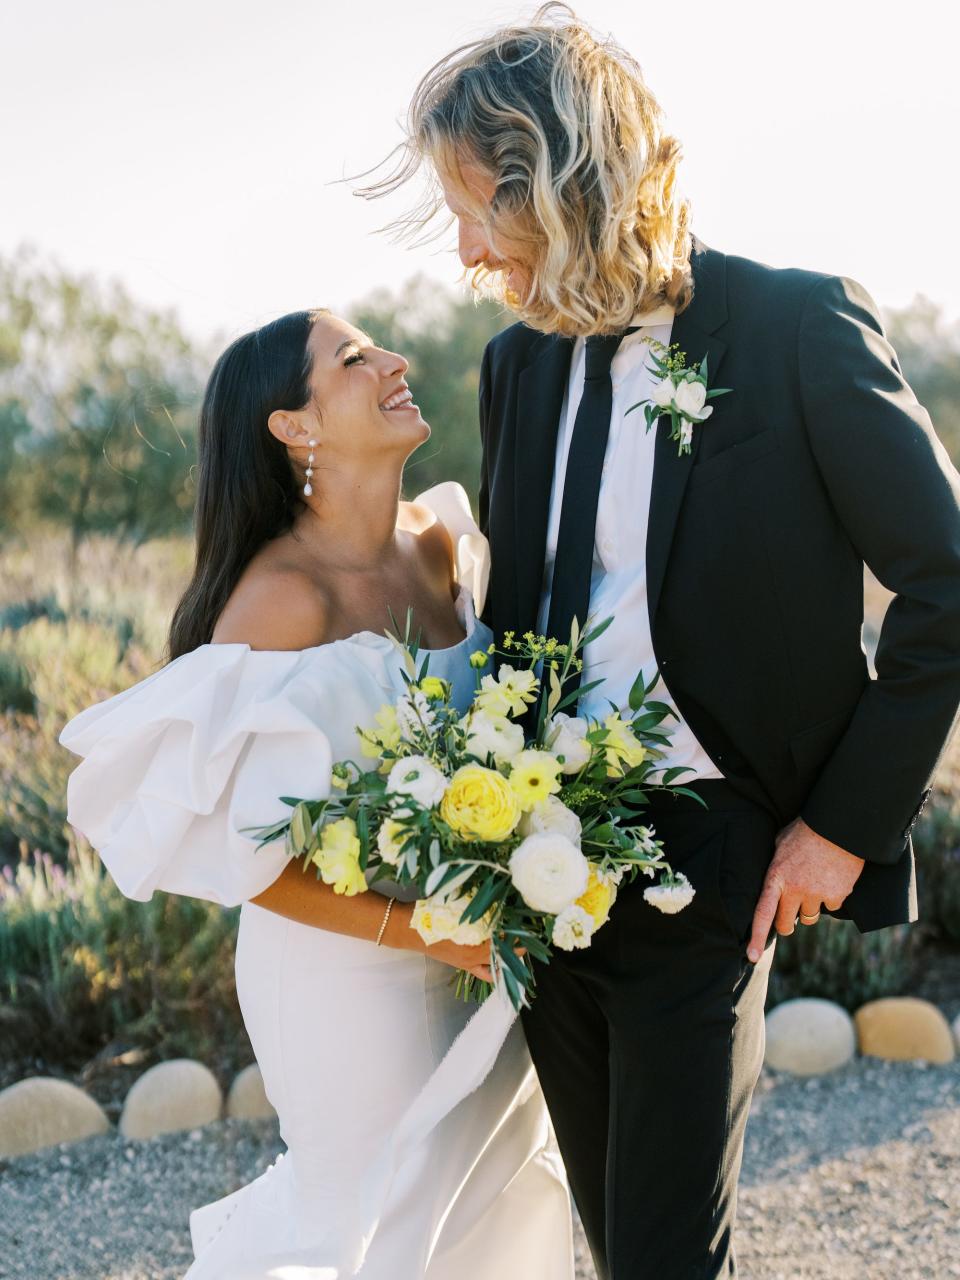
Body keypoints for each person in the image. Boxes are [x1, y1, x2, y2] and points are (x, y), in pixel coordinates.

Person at [359, 4, 960, 1277]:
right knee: (618, 1236)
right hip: (544, 860)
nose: (463, 250)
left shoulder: (798, 328)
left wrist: (846, 824)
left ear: (563, 182)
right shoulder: (516, 369)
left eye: (477, 207)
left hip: (718, 847)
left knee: (662, 1255)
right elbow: (524, 617)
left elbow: (946, 583)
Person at [59, 309, 575, 1279]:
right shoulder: (280, 600)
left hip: (477, 948)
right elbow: (255, 868)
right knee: (371, 1223)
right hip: (347, 974)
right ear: (293, 427)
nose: (394, 359)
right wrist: (429, 927)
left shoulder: (444, 549)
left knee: (498, 1200)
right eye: (352, 359)